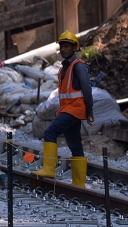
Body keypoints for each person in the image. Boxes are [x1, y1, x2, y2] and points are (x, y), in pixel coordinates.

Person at [33, 30, 94, 187]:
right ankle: (79, 183)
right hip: (68, 109)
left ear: (74, 48)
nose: (64, 49)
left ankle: (49, 169)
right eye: (62, 46)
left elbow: (87, 89)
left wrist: (90, 110)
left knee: (50, 132)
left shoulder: (78, 66)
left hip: (74, 109)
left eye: (67, 46)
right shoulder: (63, 69)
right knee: (75, 145)